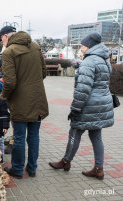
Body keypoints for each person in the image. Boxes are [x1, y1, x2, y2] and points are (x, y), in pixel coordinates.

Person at [49, 33, 114, 180]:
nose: (81, 47)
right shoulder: (104, 59)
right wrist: (80, 66)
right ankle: (99, 168)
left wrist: (75, 109)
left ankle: (65, 162)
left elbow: (83, 90)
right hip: (101, 104)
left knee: (75, 132)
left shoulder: (89, 61)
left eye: (83, 45)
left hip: (88, 106)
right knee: (96, 136)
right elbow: (99, 78)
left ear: (89, 45)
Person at [0, 26, 49, 178]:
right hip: (38, 99)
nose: (2, 42)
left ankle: (18, 169)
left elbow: (10, 82)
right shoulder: (35, 46)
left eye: (1, 39)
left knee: (19, 137)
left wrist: (3, 96)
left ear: (6, 36)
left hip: (20, 101)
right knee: (34, 136)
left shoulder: (8, 52)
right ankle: (32, 168)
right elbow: (43, 72)